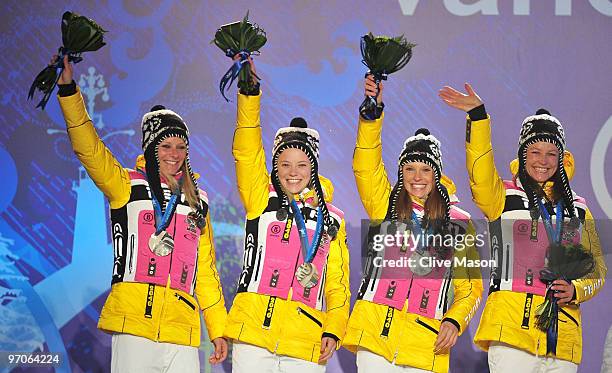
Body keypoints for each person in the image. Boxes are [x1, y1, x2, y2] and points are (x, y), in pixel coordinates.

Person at [54, 55, 228, 372]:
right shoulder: (125, 186)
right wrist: (68, 92)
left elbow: (205, 272)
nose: (174, 155)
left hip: (182, 330)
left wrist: (218, 330)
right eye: (165, 146)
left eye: (180, 147)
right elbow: (88, 148)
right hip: (134, 324)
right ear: (150, 148)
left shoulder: (198, 200)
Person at [438, 83, 607, 372]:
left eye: (551, 154)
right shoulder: (501, 197)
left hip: (562, 337)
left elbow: (597, 270)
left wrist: (576, 289)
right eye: (535, 151)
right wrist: (478, 117)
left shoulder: (578, 207)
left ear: (561, 158)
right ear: (522, 154)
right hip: (510, 331)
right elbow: (479, 174)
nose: (543, 161)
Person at [342, 75, 483, 373]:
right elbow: (365, 166)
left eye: (425, 170)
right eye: (409, 169)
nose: (417, 177)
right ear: (400, 171)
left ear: (437, 175)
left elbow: (470, 288)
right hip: (374, 338)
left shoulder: (459, 223)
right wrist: (372, 114)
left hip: (427, 343)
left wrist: (453, 320)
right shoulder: (385, 205)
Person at [223, 56, 351, 373]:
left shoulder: (331, 217)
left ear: (314, 168)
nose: (293, 173)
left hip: (305, 337)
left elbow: (337, 282)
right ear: (274, 167)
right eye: (284, 165)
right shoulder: (259, 197)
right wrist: (249, 96)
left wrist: (334, 327)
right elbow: (247, 151)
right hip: (252, 333)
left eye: (302, 165)